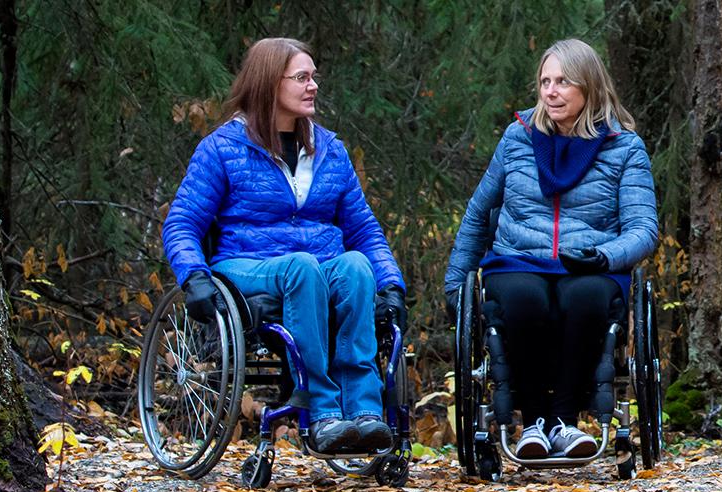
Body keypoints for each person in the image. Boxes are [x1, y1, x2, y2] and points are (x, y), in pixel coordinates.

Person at [162, 38, 407, 455]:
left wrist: (390, 283)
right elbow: (182, 222)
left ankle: (365, 413)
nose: (313, 86)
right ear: (268, 84)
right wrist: (193, 276)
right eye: (302, 78)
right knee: (302, 266)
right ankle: (322, 410)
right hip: (246, 264)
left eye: (314, 77)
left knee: (355, 267)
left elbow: (363, 228)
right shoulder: (223, 148)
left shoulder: (330, 150)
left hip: (316, 266)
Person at [444, 38, 656, 460]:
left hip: (589, 263)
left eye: (563, 82)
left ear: (589, 87)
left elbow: (643, 228)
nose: (551, 91)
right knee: (523, 301)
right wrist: (456, 285)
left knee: (587, 299)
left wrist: (606, 256)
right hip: (518, 259)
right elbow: (478, 211)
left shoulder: (623, 146)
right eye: (545, 81)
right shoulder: (517, 138)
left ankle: (564, 421)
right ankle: (534, 422)